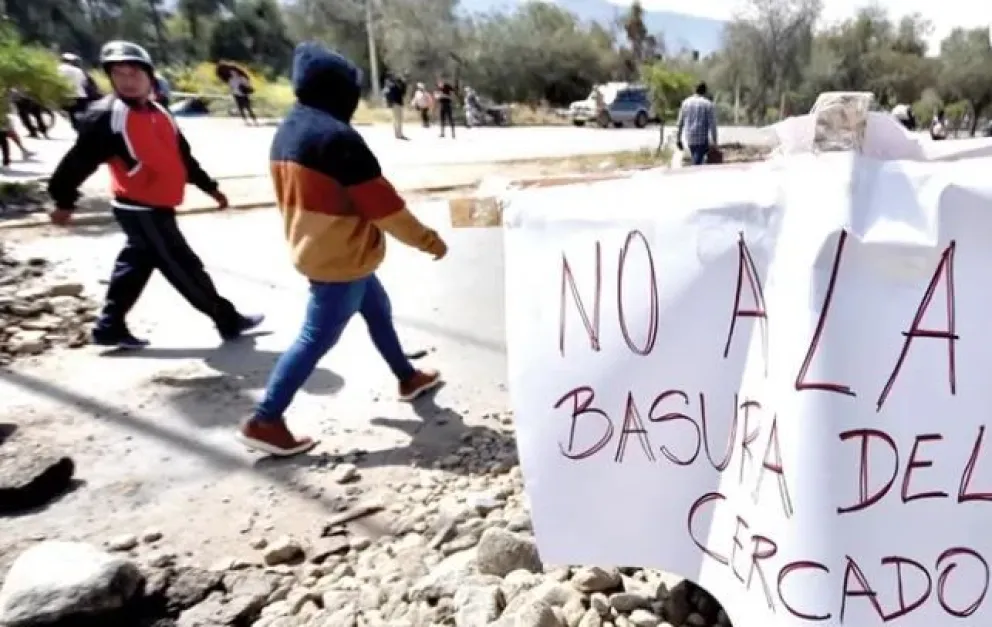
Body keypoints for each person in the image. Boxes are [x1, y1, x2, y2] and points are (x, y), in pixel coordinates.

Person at [239, 42, 447, 457]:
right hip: (340, 261)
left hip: (323, 248)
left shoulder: (289, 129)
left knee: (377, 309)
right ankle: (265, 418)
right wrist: (430, 241)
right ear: (339, 91)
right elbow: (387, 209)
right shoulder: (337, 139)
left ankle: (407, 377)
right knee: (315, 338)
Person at [46, 40, 263, 349]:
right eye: (119, 74)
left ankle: (109, 327)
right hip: (141, 209)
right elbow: (76, 164)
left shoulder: (160, 111)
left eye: (134, 73)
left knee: (134, 266)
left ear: (149, 75)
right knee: (183, 266)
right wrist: (64, 202)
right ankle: (226, 318)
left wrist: (210, 187)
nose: (128, 80)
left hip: (158, 206)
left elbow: (182, 158)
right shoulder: (106, 116)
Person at [676, 82, 718, 166]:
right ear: (705, 91)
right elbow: (712, 125)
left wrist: (678, 139)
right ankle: (695, 173)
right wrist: (715, 141)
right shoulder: (708, 104)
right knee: (697, 162)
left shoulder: (685, 103)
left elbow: (680, 123)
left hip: (689, 137)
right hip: (702, 139)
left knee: (697, 157)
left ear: (695, 90)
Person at [58, 53, 91, 131]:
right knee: (81, 115)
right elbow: (85, 82)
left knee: (71, 114)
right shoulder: (78, 70)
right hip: (80, 95)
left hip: (66, 96)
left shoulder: (58, 69)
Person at [383, 73, 408, 140]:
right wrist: (404, 83)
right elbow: (402, 93)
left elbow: (402, 92)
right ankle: (399, 134)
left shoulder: (390, 86)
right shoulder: (394, 87)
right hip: (397, 103)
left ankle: (397, 134)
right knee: (398, 119)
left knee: (395, 119)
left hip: (394, 104)